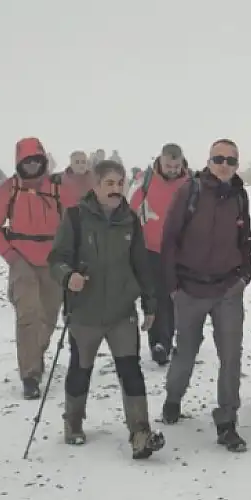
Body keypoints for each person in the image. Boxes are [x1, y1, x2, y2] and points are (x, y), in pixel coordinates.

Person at [47, 160, 164, 459]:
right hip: (84, 312)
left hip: (121, 312)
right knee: (80, 369)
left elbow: (141, 265)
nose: (115, 189)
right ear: (95, 186)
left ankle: (140, 432)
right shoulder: (75, 218)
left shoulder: (130, 220)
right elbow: (56, 259)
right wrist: (67, 276)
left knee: (130, 370)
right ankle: (73, 422)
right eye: (109, 183)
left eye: (119, 183)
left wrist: (150, 302)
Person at [160, 139, 251, 452]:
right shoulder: (191, 191)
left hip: (227, 288)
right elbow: (170, 237)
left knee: (231, 356)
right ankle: (173, 398)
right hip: (189, 288)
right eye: (219, 158)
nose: (224, 165)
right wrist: (173, 284)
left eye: (231, 160)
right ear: (209, 160)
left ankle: (227, 421)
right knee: (186, 352)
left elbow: (245, 238)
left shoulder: (240, 195)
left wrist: (244, 273)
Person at [0, 138, 65, 399]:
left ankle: (35, 353)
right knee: (27, 315)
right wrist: (10, 255)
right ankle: (30, 375)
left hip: (54, 260)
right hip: (21, 260)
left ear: (43, 161)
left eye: (36, 161)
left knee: (49, 316)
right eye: (26, 161)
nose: (31, 166)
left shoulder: (57, 188)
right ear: (19, 163)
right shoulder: (7, 190)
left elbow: (74, 222)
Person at [129, 143, 193, 366]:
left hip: (180, 251)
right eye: (169, 165)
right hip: (151, 250)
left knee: (175, 296)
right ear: (161, 161)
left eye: (176, 166)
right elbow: (131, 213)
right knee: (155, 296)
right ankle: (159, 343)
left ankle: (173, 336)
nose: (173, 169)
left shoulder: (190, 184)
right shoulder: (146, 184)